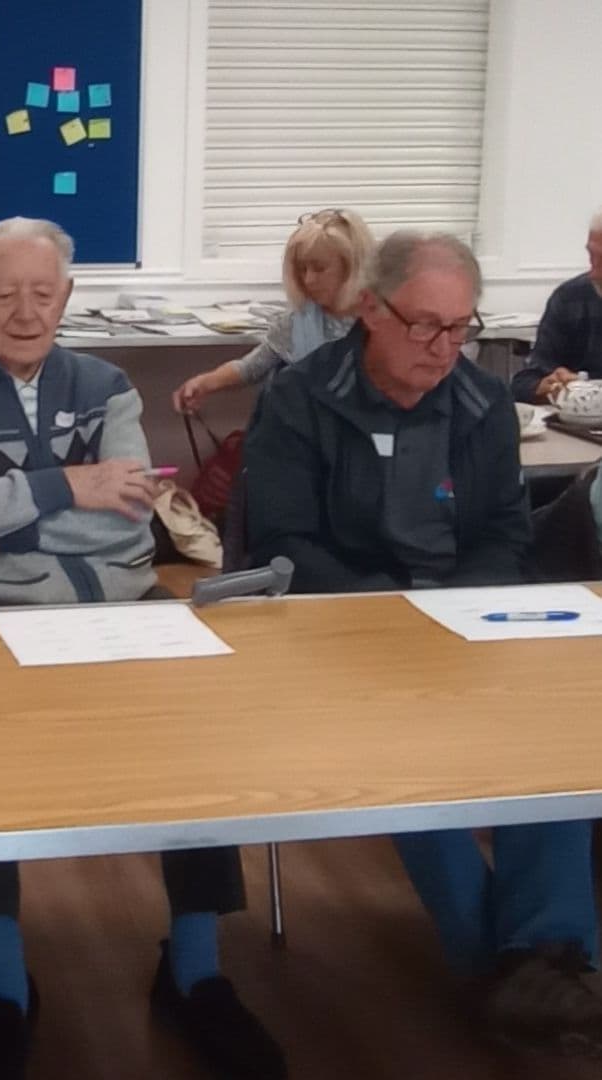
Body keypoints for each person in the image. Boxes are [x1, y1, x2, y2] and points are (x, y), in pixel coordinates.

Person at [0, 217, 284, 1080]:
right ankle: (2, 987)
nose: (25, 312)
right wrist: (69, 486)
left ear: (66, 296)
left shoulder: (105, 384)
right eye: (4, 294)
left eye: (42, 293)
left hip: (121, 606)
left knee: (197, 747)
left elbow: (134, 510)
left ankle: (195, 970)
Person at [245, 230, 602, 1057]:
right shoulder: (300, 400)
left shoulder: (479, 403)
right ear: (371, 309)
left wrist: (447, 619)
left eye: (460, 327)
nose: (444, 348)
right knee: (405, 758)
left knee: (546, 746)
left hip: (458, 628)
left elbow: (503, 539)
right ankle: (509, 969)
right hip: (332, 632)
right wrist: (392, 617)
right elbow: (285, 543)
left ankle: (549, 953)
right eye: (425, 326)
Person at [173, 208, 375, 414]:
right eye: (302, 269)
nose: (308, 280)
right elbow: (251, 367)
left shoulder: (383, 322)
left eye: (319, 268)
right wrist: (205, 383)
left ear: (352, 267)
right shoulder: (296, 322)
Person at [510, 208, 602, 404]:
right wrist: (547, 386)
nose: (593, 272)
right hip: (580, 430)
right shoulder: (570, 298)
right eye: (591, 255)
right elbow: (523, 382)